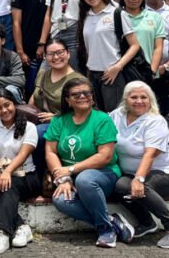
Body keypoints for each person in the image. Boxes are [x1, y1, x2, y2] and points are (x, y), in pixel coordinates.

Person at [44, 78, 129, 248]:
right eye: (76, 94)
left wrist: (71, 169)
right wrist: (64, 179)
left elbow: (104, 156)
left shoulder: (102, 119)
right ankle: (112, 221)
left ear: (92, 97)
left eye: (86, 93)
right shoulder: (59, 121)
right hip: (70, 175)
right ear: (67, 100)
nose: (82, 96)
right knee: (60, 200)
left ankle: (106, 230)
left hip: (103, 173)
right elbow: (51, 152)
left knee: (85, 180)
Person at [110, 82, 169, 249]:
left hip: (164, 173)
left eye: (144, 97)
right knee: (120, 186)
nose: (139, 101)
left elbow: (150, 154)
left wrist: (138, 178)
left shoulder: (155, 121)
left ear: (150, 100)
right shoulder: (117, 115)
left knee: (141, 187)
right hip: (131, 173)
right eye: (134, 97)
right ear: (125, 99)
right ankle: (147, 223)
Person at [0, 88, 42, 256]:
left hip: (28, 176)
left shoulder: (29, 126)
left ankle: (3, 233)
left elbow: (23, 154)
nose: (4, 110)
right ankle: (21, 227)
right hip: (2, 172)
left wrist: (7, 171)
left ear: (14, 104)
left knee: (8, 185)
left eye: (7, 105)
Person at [76, 0, 142, 112]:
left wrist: (117, 67)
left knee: (115, 115)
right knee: (100, 115)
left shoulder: (116, 13)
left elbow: (135, 45)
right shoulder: (85, 16)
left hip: (113, 73)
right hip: (93, 74)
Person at [29, 39, 87, 184]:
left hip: (68, 125)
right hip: (41, 120)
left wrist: (56, 117)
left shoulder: (78, 81)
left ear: (68, 54)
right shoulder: (42, 73)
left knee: (40, 133)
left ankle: (39, 176)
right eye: (51, 54)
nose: (56, 57)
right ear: (45, 57)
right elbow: (34, 99)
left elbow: (83, 112)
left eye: (60, 52)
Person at [11, 0, 48, 96]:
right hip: (26, 46)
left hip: (48, 45)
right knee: (28, 87)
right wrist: (20, 51)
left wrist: (43, 44)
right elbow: (16, 23)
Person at [117, 0, 165, 78]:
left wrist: (152, 70)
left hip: (148, 73)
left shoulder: (155, 17)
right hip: (122, 73)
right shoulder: (116, 17)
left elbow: (158, 47)